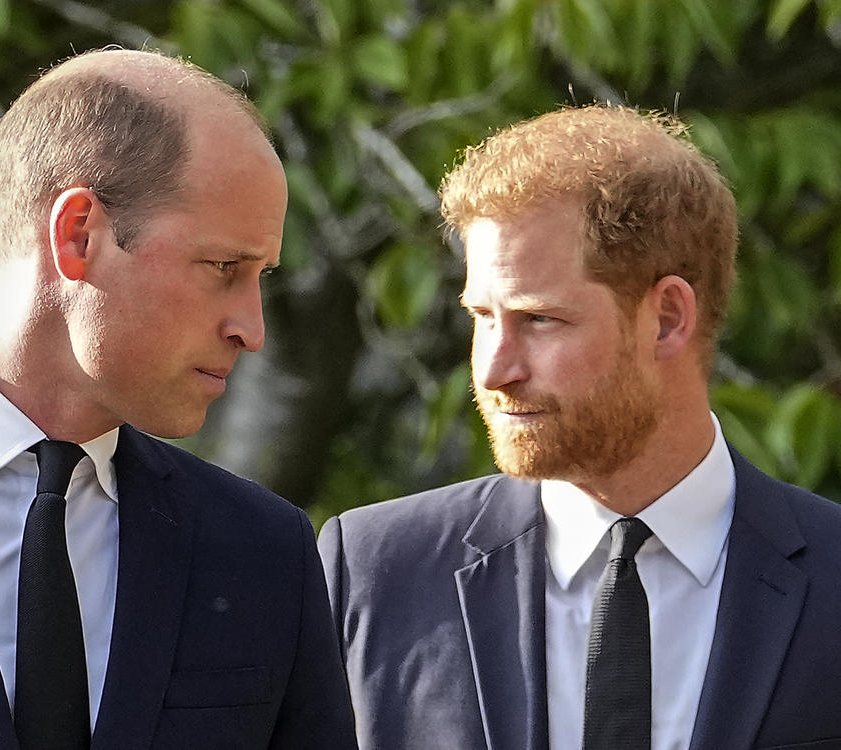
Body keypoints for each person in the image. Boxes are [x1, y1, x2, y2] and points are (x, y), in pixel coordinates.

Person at [0, 48, 356, 749]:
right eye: (224, 268)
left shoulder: (265, 553)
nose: (252, 329)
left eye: (261, 274)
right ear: (77, 233)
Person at [318, 105, 841, 749]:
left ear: (669, 318)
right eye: (483, 316)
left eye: (539, 320)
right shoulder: (374, 571)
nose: (493, 370)